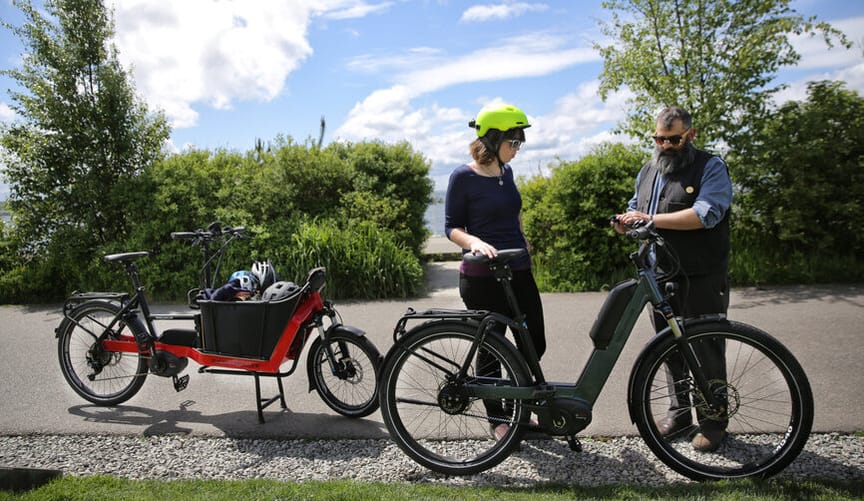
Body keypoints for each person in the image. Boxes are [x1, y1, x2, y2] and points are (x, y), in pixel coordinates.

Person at [612, 106, 733, 452]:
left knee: (706, 348)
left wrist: (649, 218)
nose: (664, 145)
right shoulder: (648, 169)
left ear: (690, 136)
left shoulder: (712, 167)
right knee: (669, 349)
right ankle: (680, 413)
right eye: (659, 138)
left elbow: (705, 214)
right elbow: (638, 207)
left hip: (702, 274)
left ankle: (714, 420)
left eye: (672, 139)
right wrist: (627, 223)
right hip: (660, 274)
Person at [445, 102, 546, 441]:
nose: (517, 149)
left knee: (535, 343)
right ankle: (498, 419)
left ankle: (522, 409)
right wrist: (473, 241)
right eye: (513, 142)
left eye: (520, 143)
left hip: (518, 270)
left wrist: (523, 237)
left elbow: (512, 213)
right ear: (493, 139)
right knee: (492, 349)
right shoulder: (463, 176)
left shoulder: (507, 173)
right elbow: (451, 227)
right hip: (482, 278)